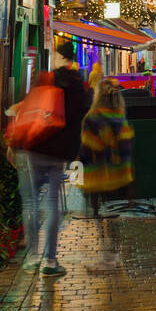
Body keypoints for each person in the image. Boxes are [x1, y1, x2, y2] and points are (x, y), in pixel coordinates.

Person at [20, 41, 90, 277]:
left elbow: (29, 109)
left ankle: (32, 256)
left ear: (59, 57)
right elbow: (82, 116)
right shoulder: (79, 87)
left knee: (30, 201)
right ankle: (50, 261)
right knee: (52, 204)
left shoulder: (45, 79)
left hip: (37, 145)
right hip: (60, 152)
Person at [78, 78, 134, 270]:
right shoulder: (120, 117)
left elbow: (87, 149)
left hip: (98, 177)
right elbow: (127, 147)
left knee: (99, 215)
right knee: (112, 215)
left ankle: (107, 257)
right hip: (120, 177)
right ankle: (113, 254)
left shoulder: (93, 119)